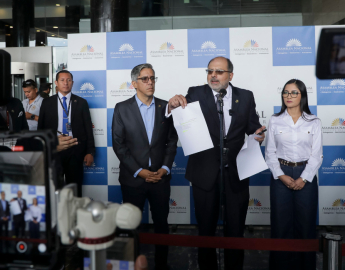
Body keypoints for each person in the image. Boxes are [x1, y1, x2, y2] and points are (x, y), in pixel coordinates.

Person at [167, 56, 266, 270]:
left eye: (219, 71)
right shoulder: (195, 93)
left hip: (236, 174)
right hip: (205, 173)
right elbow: (177, 117)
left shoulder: (245, 97)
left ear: (230, 75)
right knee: (206, 231)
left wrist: (258, 134)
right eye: (210, 70)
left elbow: (253, 126)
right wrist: (172, 105)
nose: (213, 75)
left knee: (236, 230)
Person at [112, 63, 178, 270]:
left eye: (153, 78)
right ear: (134, 84)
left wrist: (165, 169)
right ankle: (132, 264)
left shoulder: (165, 106)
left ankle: (161, 265)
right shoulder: (122, 108)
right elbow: (119, 145)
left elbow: (172, 141)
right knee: (131, 227)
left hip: (160, 178)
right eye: (145, 79)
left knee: (161, 226)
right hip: (133, 180)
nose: (150, 82)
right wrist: (140, 172)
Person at [265, 79, 323, 270]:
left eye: (294, 92)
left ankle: (305, 266)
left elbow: (317, 155)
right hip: (280, 174)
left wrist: (303, 178)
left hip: (305, 174)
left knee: (305, 225)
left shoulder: (314, 121)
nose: (288, 96)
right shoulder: (274, 120)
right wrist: (281, 175)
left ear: (302, 96)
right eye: (286, 92)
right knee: (280, 225)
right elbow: (270, 153)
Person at [37, 70, 95, 196]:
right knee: (53, 188)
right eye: (62, 80)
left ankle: (73, 215)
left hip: (75, 150)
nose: (65, 83)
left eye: (68, 80)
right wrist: (43, 149)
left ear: (72, 83)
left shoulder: (81, 102)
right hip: (54, 149)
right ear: (56, 83)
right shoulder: (47, 103)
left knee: (74, 190)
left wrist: (90, 152)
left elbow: (88, 129)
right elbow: (40, 128)